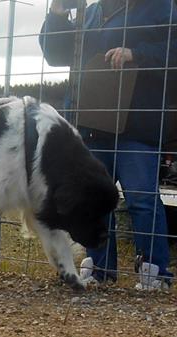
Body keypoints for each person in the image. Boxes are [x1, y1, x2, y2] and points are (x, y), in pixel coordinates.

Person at [39, 0, 177, 290]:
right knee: (93, 196)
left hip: (137, 124)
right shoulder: (89, 13)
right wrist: (57, 15)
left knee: (141, 197)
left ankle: (155, 273)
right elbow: (56, 54)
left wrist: (137, 54)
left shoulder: (163, 7)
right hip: (91, 124)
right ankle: (100, 269)